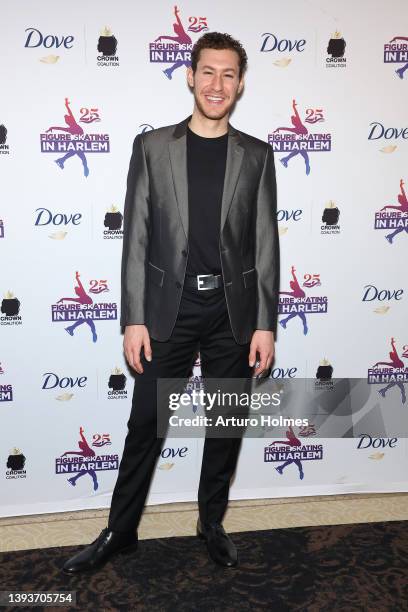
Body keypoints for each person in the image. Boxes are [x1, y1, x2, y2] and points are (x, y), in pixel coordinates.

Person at [63, 31, 279, 575]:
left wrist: (265, 322)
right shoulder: (153, 147)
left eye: (229, 74)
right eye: (208, 71)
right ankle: (121, 530)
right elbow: (135, 235)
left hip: (233, 313)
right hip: (168, 311)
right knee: (145, 426)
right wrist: (133, 317)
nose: (217, 84)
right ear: (190, 75)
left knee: (225, 425)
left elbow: (266, 241)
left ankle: (211, 523)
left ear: (241, 83)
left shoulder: (257, 155)